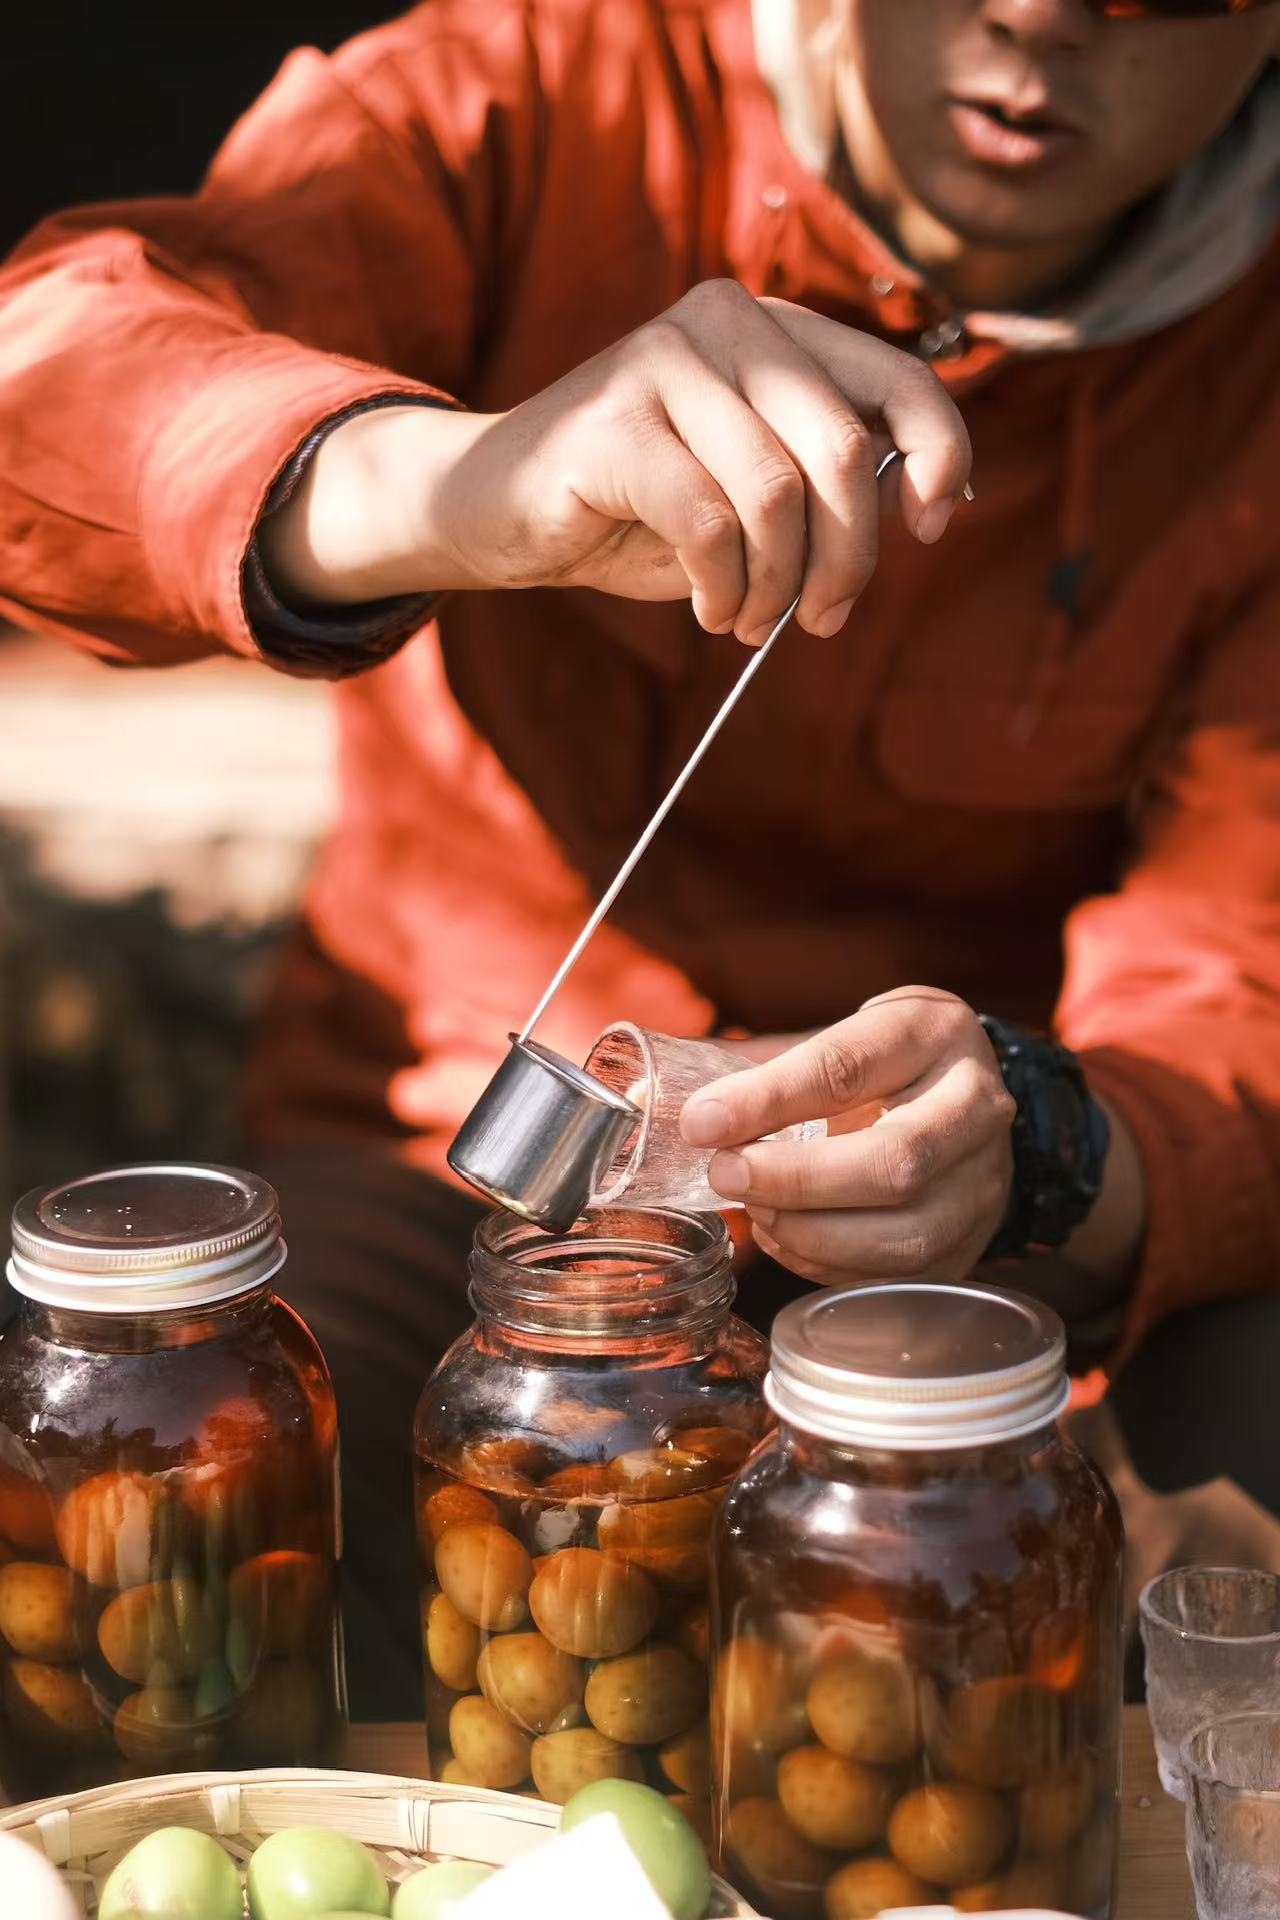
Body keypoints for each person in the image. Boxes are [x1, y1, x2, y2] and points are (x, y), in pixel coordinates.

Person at [0, 0, 1277, 1713]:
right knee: (169, 1494)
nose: (1039, 16)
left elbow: (1244, 978)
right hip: (451, 1178)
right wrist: (454, 484)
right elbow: (45, 373)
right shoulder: (543, 91)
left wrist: (1050, 1151)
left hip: (979, 1230)